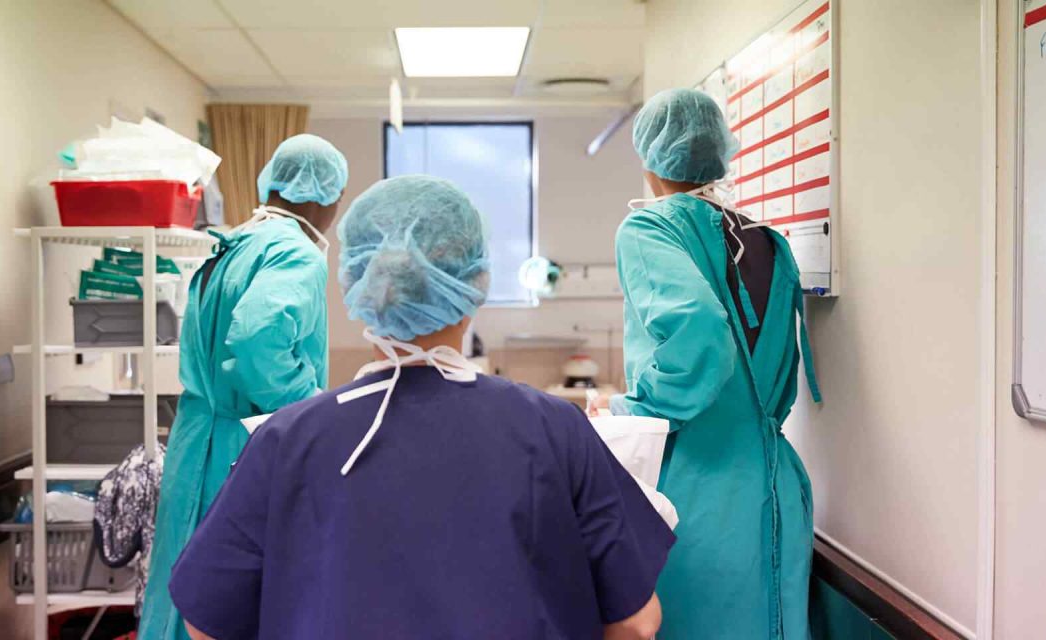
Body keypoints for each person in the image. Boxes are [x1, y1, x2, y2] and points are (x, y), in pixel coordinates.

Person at [167, 175, 674, 640]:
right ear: (474, 285)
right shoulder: (554, 428)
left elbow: (206, 622)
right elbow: (635, 622)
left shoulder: (286, 439)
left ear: (356, 284)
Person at [591, 88, 822, 639]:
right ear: (720, 154)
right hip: (776, 488)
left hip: (697, 492)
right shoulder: (769, 242)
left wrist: (631, 412)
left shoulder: (650, 229)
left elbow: (700, 339)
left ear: (650, 160)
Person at [140, 134, 349, 640]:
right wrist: (309, 410)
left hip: (195, 441)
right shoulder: (295, 254)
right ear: (327, 197)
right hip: (243, 447)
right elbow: (257, 339)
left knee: (180, 586)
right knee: (227, 602)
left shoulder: (237, 244)